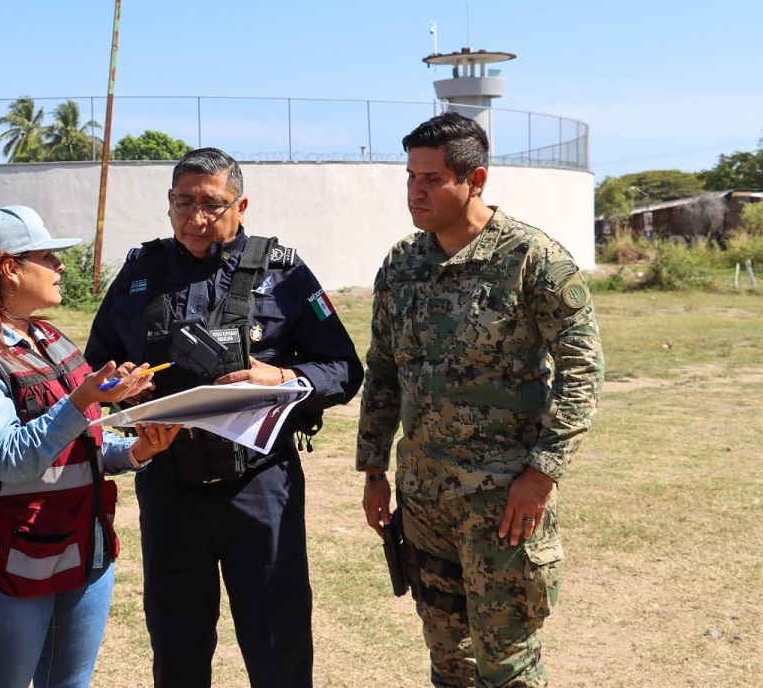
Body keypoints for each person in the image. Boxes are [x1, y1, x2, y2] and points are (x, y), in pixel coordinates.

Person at [85, 148, 364, 688]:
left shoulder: (284, 273)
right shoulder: (141, 272)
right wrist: (119, 386)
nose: (196, 218)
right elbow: (96, 368)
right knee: (177, 647)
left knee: (278, 644)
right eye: (183, 203)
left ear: (241, 205)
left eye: (211, 205)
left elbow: (344, 368)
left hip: (259, 486)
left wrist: (283, 379)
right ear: (168, 203)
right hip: (169, 490)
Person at [357, 112, 604, 688]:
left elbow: (582, 370)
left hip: (503, 502)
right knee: (450, 662)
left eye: (432, 180)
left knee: (507, 665)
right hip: (423, 497)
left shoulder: (531, 259)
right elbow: (385, 368)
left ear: (476, 179)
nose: (416, 192)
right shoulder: (402, 264)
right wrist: (373, 467)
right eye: (411, 178)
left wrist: (543, 474)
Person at [0, 205, 181, 688]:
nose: (62, 267)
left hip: (85, 553)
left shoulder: (52, 339)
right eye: (48, 257)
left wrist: (138, 451)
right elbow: (11, 459)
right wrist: (83, 398)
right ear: (8, 267)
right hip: (8, 562)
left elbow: (83, 446)